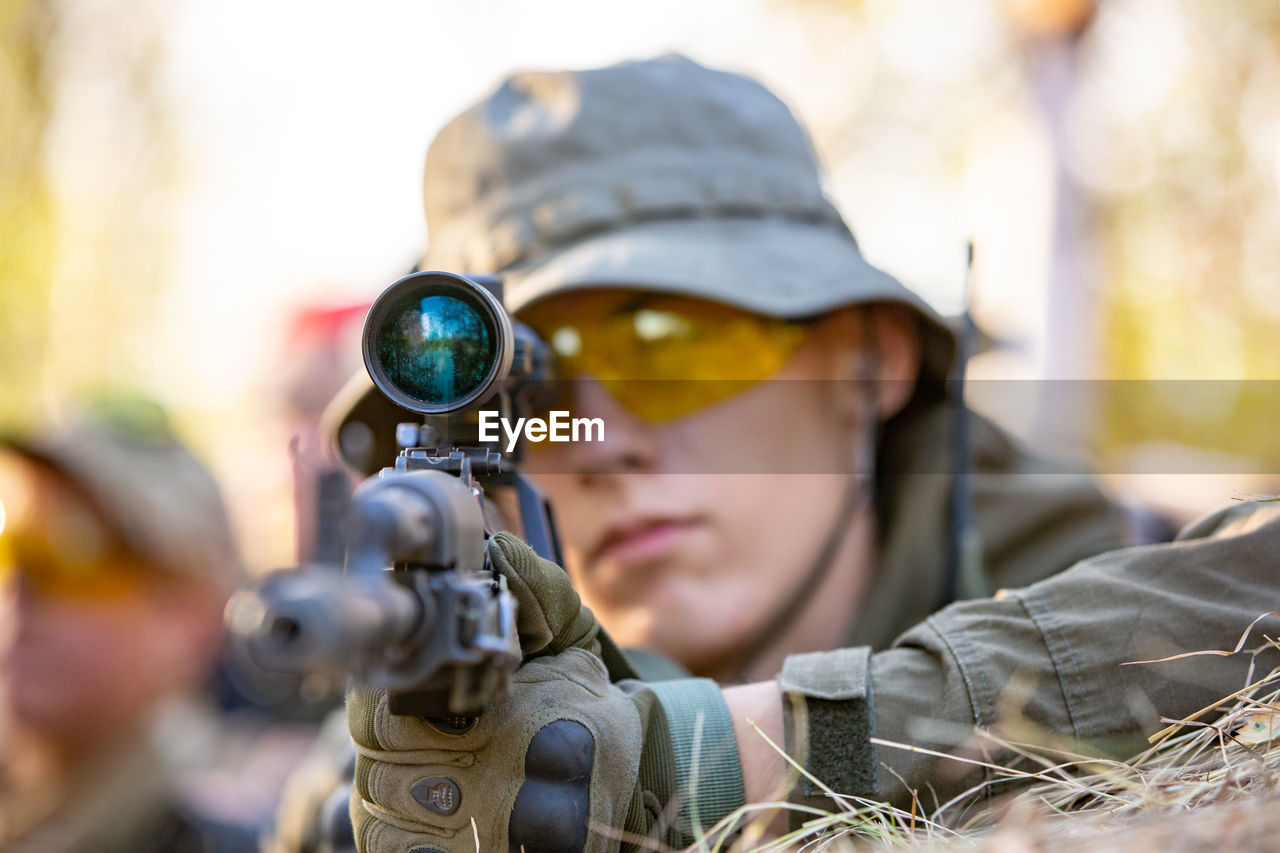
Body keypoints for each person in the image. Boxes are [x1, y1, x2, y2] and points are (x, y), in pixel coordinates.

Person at [318, 55, 1237, 850]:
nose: (599, 443)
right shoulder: (424, 726)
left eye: (671, 346)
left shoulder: (1110, 567)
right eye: (532, 398)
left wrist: (720, 754)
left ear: (871, 361)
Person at [0, 398, 256, 852]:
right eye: (12, 545)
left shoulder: (218, 827)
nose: (20, 588)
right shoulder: (29, 800)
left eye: (72, 551)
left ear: (191, 616)